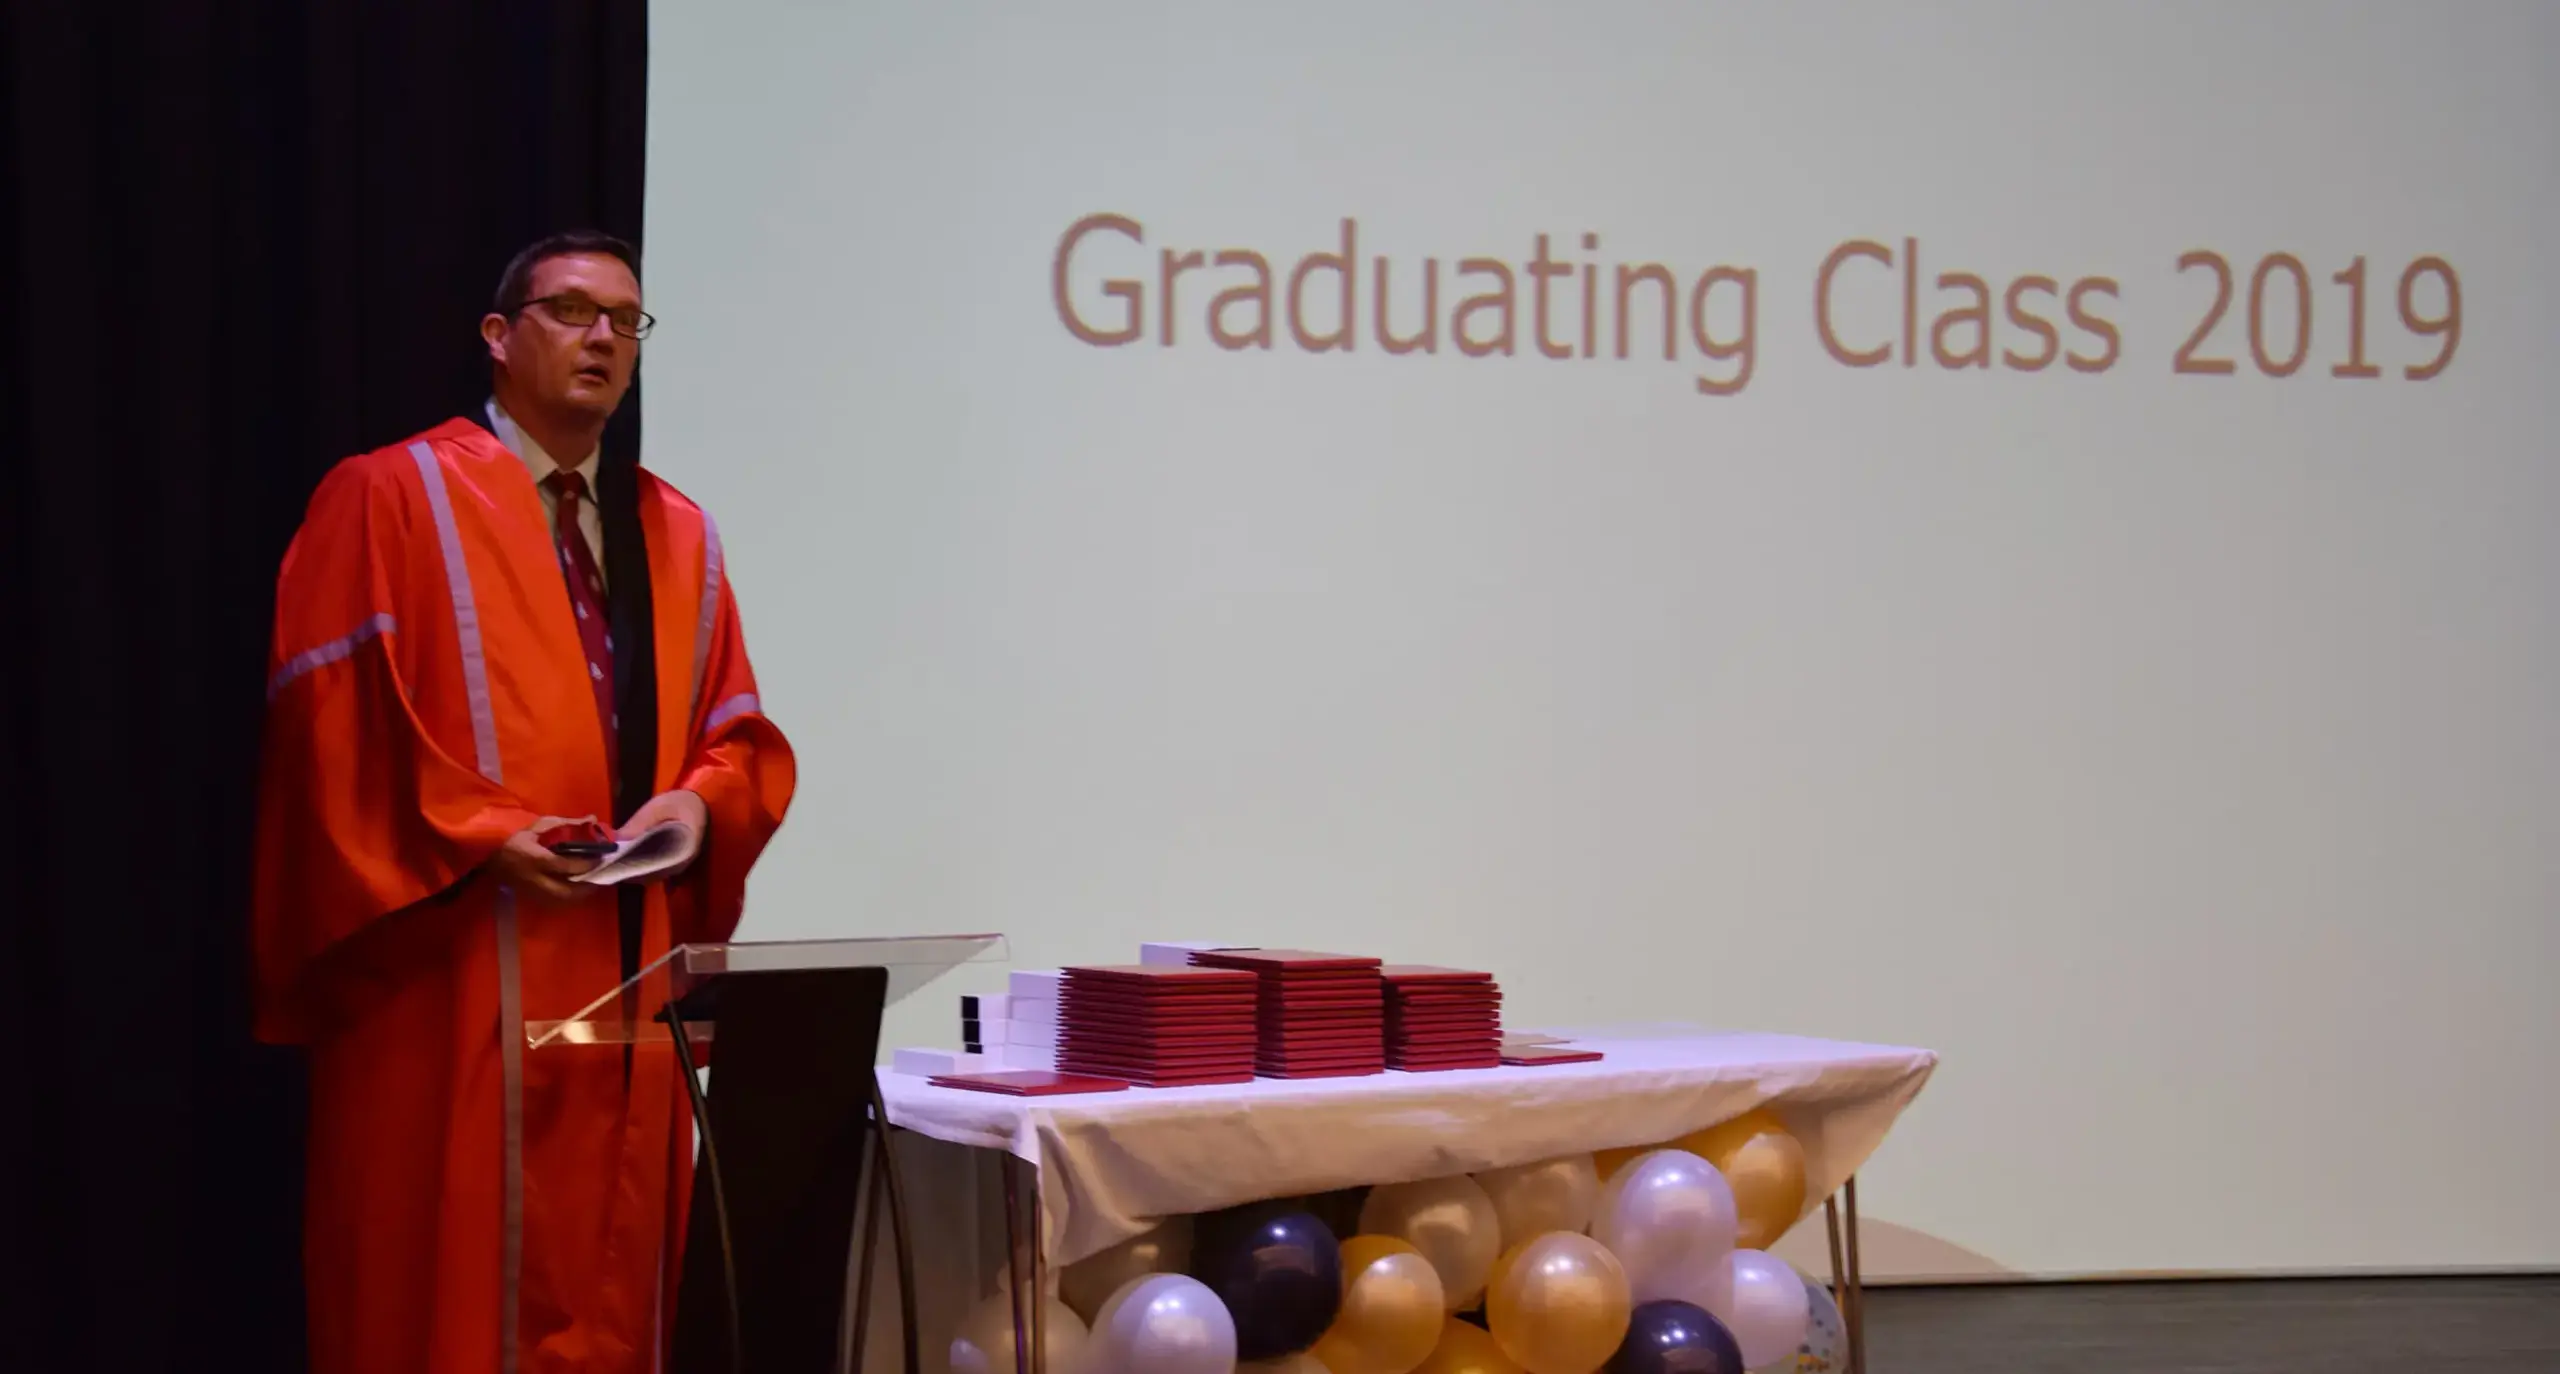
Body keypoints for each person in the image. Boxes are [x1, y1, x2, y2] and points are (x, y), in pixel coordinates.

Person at [252, 230, 796, 1374]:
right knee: (444, 1293)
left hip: (625, 975)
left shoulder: (675, 531)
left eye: (626, 322)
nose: (604, 338)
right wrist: (482, 834)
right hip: (454, 970)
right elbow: (329, 726)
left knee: (616, 1282)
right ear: (499, 337)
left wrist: (697, 809)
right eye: (573, 311)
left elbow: (734, 735)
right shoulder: (390, 495)